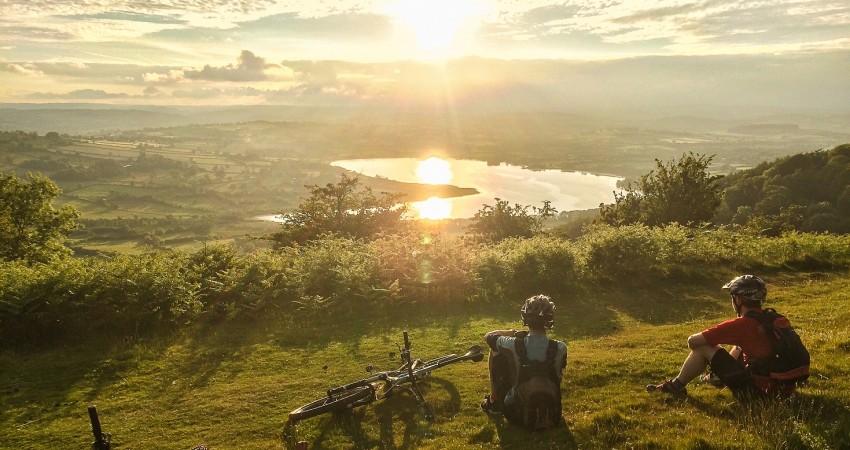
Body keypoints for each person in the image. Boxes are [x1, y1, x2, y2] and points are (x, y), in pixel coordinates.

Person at [647, 275, 800, 399]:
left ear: (738, 300)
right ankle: (715, 378)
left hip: (759, 394)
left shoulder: (741, 324)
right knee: (741, 346)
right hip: (785, 390)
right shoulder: (775, 319)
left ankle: (675, 387)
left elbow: (692, 341)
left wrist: (715, 352)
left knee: (704, 347)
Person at [481, 294, 568, 426]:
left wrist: (513, 332)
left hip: (517, 414)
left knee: (495, 350)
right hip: (552, 415)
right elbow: (558, 376)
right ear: (549, 320)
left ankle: (494, 401)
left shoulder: (513, 344)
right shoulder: (560, 348)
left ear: (525, 317)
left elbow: (488, 336)